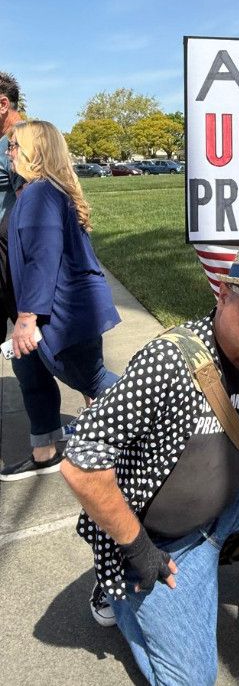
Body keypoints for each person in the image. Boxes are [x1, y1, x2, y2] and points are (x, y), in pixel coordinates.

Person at [60, 245, 239, 686]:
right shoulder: (169, 360)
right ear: (223, 294)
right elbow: (81, 464)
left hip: (231, 498)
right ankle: (116, 586)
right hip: (161, 539)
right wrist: (136, 548)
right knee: (194, 680)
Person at [2, 120, 120, 480]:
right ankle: (45, 451)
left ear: (33, 153)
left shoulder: (40, 194)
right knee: (28, 368)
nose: (7, 153)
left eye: (13, 147)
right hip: (52, 309)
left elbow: (43, 257)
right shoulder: (37, 192)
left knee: (93, 379)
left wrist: (26, 318)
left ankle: (155, 426)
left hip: (63, 314)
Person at [0, 76, 66, 482]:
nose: (11, 153)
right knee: (27, 356)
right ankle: (45, 445)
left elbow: (38, 214)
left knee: (67, 362)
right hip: (9, 268)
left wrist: (28, 307)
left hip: (11, 268)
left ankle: (46, 446)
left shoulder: (25, 145)